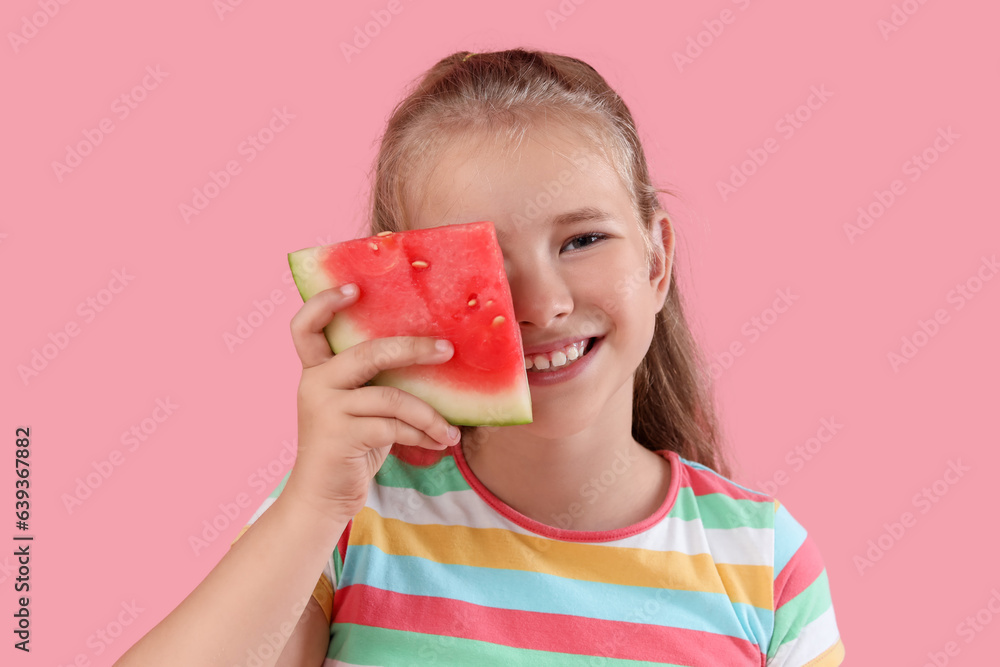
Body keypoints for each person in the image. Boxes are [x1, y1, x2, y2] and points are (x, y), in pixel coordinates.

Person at [117, 48, 844, 666]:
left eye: (583, 240)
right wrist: (314, 503)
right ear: (407, 294)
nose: (542, 303)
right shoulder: (350, 522)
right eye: (482, 264)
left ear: (657, 260)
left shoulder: (765, 564)